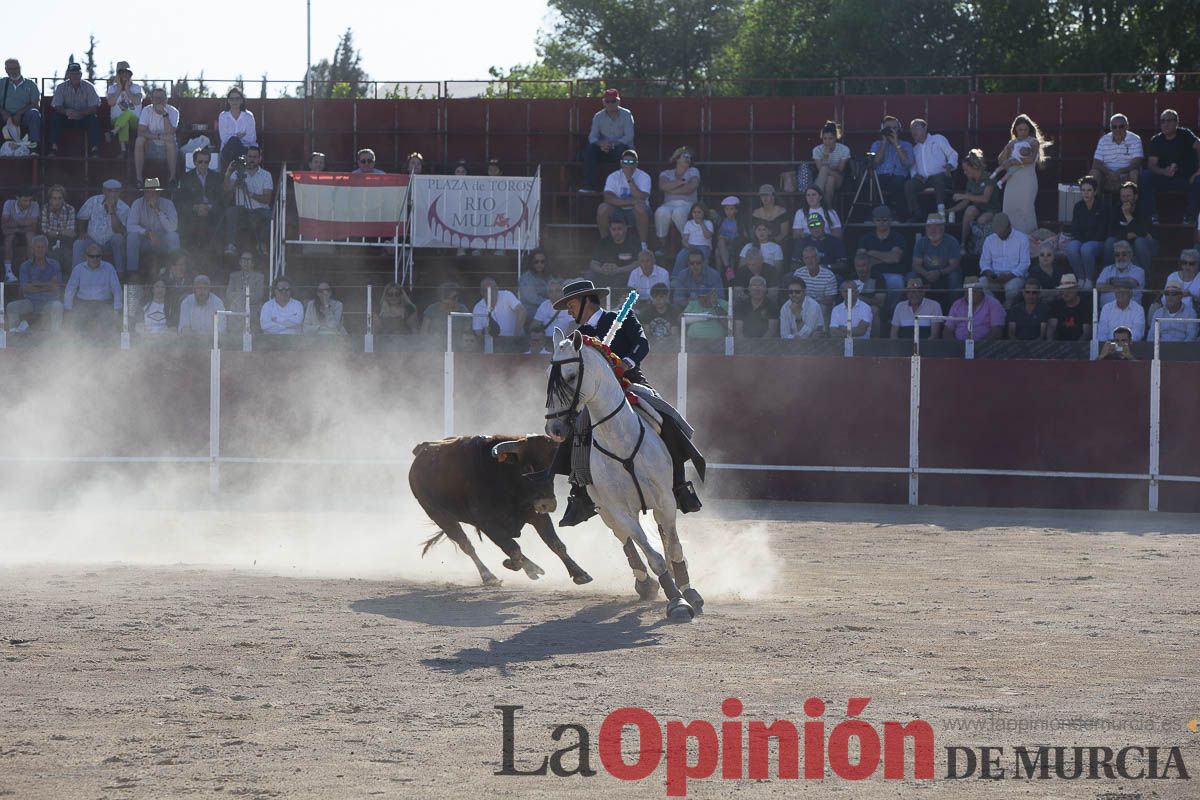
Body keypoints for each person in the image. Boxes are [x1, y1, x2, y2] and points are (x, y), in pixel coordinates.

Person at [542, 277, 702, 524]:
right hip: (597, 395)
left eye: (571, 304)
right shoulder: (578, 336)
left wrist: (627, 361)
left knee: (665, 418)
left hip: (630, 381)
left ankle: (680, 486)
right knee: (576, 431)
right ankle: (580, 494)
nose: (568, 309)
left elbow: (641, 343)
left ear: (587, 301)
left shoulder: (621, 318)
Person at [1140, 108, 1200, 225]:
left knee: (1199, 181)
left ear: (1177, 123)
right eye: (1163, 121)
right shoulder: (1156, 140)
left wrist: (1198, 171)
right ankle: (1152, 216)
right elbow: (1151, 165)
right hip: (1165, 179)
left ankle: (1190, 217)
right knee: (1145, 176)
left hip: (1187, 178)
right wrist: (1163, 171)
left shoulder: (1185, 135)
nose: (1166, 124)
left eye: (1169, 120)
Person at [995, 114, 1049, 235]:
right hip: (1012, 180)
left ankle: (1028, 241)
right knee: (1009, 209)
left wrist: (1014, 161)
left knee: (1026, 210)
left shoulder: (1033, 142)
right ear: (1015, 130)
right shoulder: (1012, 143)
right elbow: (1001, 161)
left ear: (1029, 129)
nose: (1023, 132)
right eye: (1020, 129)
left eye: (1025, 129)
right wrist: (1007, 148)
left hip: (1027, 180)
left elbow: (1030, 159)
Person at [580, 88, 635, 193]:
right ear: (603, 102)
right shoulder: (598, 116)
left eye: (613, 101)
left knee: (622, 151)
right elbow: (592, 137)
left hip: (621, 149)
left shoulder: (626, 114)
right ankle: (589, 185)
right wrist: (601, 144)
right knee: (590, 150)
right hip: (604, 149)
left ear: (618, 101)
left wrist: (613, 144)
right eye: (607, 101)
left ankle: (621, 187)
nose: (610, 104)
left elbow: (629, 137)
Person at [5, 236, 63, 332]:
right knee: (11, 307)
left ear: (46, 248)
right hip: (30, 302)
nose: (40, 249)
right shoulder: (25, 266)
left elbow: (56, 286)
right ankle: (15, 334)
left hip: (50, 301)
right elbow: (25, 288)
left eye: (42, 247)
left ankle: (55, 337)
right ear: (32, 249)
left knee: (58, 306)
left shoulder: (54, 264)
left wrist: (38, 284)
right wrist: (48, 285)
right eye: (37, 247)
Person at [126, 178, 181, 280]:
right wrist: (147, 232)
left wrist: (158, 210)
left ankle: (176, 271)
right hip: (145, 240)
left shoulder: (168, 204)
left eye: (154, 192)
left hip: (162, 240)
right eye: (148, 192)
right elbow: (130, 226)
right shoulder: (137, 203)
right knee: (131, 237)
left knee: (174, 236)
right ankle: (132, 274)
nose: (151, 195)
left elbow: (172, 227)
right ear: (144, 193)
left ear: (159, 193)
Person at [223, 145, 273, 255]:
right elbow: (227, 189)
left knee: (270, 215)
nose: (252, 159)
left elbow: (267, 199)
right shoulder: (238, 173)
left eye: (255, 157)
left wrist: (250, 194)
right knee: (230, 212)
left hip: (260, 210)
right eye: (250, 156)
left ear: (260, 159)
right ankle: (231, 245)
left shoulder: (266, 175)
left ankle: (262, 245)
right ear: (246, 157)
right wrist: (228, 172)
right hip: (243, 210)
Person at [905, 119, 958, 222]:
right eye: (911, 129)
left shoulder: (938, 139)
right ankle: (916, 215)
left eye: (916, 127)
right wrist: (916, 175)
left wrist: (949, 165)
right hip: (924, 180)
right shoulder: (915, 148)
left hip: (942, 177)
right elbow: (913, 167)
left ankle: (941, 212)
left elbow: (953, 154)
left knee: (938, 178)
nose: (913, 131)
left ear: (925, 128)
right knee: (909, 185)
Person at [597, 149, 651, 250]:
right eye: (626, 162)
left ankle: (643, 245)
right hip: (618, 210)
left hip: (637, 212)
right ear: (621, 163)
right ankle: (605, 242)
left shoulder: (644, 176)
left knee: (640, 207)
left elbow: (642, 197)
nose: (628, 164)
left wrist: (629, 179)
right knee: (602, 208)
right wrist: (630, 202)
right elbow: (608, 198)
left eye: (631, 162)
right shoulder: (613, 176)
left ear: (636, 164)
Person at [63, 244, 122, 335]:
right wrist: (67, 308)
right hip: (83, 303)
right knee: (75, 323)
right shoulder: (78, 268)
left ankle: (107, 344)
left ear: (101, 256)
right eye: (92, 256)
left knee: (108, 321)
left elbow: (117, 289)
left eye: (98, 256)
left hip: (104, 304)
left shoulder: (109, 268)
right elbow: (70, 289)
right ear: (86, 256)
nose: (95, 259)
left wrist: (117, 309)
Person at [74, 180, 129, 274]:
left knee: (118, 239)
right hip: (92, 240)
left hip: (110, 243)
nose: (112, 194)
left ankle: (120, 274)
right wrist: (82, 232)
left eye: (116, 191)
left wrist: (112, 212)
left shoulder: (124, 208)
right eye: (109, 191)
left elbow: (119, 230)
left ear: (119, 192)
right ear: (104, 191)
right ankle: (76, 275)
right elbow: (81, 218)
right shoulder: (93, 201)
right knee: (78, 243)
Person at [949, 149, 1000, 249]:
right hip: (978, 209)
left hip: (992, 210)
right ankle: (963, 243)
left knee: (982, 220)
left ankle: (979, 245)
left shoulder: (989, 178)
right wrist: (949, 211)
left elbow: (985, 199)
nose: (964, 172)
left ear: (975, 167)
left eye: (966, 169)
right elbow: (965, 202)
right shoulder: (970, 181)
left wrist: (964, 196)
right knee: (969, 210)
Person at [48, 62, 101, 157]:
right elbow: (57, 106)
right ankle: (53, 148)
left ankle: (95, 150)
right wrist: (66, 112)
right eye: (72, 74)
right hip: (67, 118)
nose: (75, 76)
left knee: (94, 118)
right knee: (55, 117)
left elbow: (94, 107)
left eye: (77, 73)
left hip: (84, 118)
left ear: (81, 74)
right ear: (68, 75)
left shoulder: (89, 87)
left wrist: (81, 113)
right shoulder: (61, 87)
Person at [1065, 176, 1110, 287]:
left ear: (1095, 192)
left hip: (1099, 242)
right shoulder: (1078, 206)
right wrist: (1082, 240)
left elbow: (1103, 230)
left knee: (1086, 248)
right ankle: (1080, 278)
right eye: (1083, 190)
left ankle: (1089, 279)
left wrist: (1086, 242)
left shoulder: (1103, 206)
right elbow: (1075, 228)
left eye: (1089, 190)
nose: (1086, 193)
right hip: (1082, 240)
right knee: (1071, 247)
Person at [177, 146, 225, 248]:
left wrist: (209, 207)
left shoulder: (216, 177)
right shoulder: (186, 178)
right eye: (200, 162)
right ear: (195, 162)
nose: (203, 164)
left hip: (212, 212)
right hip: (193, 213)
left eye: (206, 162)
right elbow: (181, 200)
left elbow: (220, 198)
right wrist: (195, 207)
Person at [978, 212, 1030, 306]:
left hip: (1014, 277)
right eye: (998, 233)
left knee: (1012, 287)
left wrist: (1009, 276)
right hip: (994, 277)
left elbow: (1025, 263)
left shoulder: (1022, 238)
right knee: (980, 283)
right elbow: (984, 262)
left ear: (1009, 226)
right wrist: (989, 273)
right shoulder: (989, 240)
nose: (1001, 235)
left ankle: (1008, 308)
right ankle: (995, 306)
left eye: (1003, 232)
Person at [1104, 181, 1156, 274]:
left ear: (1135, 197)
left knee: (1139, 242)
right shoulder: (1116, 208)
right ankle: (1108, 274)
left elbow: (1145, 233)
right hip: (1126, 241)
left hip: (1147, 244)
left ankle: (1146, 277)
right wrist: (1127, 235)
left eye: (1128, 196)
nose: (1125, 199)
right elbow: (1111, 231)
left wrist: (1127, 215)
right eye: (1123, 197)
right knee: (1109, 242)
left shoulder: (1144, 208)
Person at [869, 116, 915, 218]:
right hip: (880, 177)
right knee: (870, 183)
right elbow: (875, 162)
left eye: (895, 128)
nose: (891, 130)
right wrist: (884, 142)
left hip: (899, 177)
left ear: (899, 130)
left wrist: (896, 143)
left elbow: (907, 163)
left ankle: (901, 217)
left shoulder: (906, 145)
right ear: (882, 130)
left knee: (898, 183)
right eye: (888, 128)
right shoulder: (877, 144)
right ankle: (874, 215)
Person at [135, 87, 180, 185]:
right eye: (156, 98)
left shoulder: (173, 111)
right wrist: (159, 136)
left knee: (170, 142)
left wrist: (164, 114)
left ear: (166, 100)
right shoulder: (146, 110)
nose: (159, 101)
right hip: (150, 145)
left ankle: (172, 178)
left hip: (167, 146)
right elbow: (140, 132)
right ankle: (138, 178)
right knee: (139, 140)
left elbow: (170, 132)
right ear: (152, 100)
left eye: (162, 98)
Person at [910, 213, 963, 298]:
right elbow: (915, 265)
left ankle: (955, 309)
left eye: (936, 227)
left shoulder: (952, 242)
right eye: (929, 227)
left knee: (955, 277)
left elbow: (954, 265)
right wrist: (926, 274)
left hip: (945, 275)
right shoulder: (921, 242)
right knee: (912, 276)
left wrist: (939, 273)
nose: (932, 230)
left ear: (943, 228)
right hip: (926, 275)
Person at [859, 205, 908, 295]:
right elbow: (861, 260)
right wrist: (887, 257)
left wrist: (871, 253)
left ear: (890, 220)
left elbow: (895, 258)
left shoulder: (898, 237)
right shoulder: (866, 238)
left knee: (898, 281)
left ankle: (893, 309)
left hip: (893, 274)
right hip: (871, 275)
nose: (881, 223)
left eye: (884, 220)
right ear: (873, 221)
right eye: (878, 220)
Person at [655, 146, 700, 243]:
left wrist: (671, 189)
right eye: (685, 156)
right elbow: (663, 186)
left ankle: (688, 242)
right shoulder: (666, 173)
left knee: (679, 213)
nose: (688, 158)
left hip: (687, 204)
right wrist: (680, 182)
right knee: (661, 212)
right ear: (677, 158)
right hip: (668, 204)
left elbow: (690, 188)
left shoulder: (693, 171)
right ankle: (662, 244)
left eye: (689, 157)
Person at [1091, 113, 1143, 194]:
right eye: (1114, 127)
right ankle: (1095, 204)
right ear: (1111, 128)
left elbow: (1136, 163)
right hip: (1106, 176)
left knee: (1134, 173)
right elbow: (1096, 164)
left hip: (1126, 176)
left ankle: (1132, 204)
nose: (1117, 130)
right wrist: (1110, 173)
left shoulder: (1135, 139)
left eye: (1121, 126)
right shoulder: (1103, 140)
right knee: (1094, 173)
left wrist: (1119, 172)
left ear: (1127, 127)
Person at [587, 218, 639, 288]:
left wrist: (619, 270)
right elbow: (593, 263)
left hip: (624, 273)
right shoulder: (603, 243)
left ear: (625, 229)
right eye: (614, 229)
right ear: (610, 230)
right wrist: (602, 270)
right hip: (605, 273)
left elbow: (637, 263)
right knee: (589, 275)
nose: (616, 232)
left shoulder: (633, 242)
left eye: (619, 229)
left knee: (633, 274)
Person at [1, 59, 41, 147]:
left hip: (24, 116)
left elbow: (36, 104)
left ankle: (34, 147)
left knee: (34, 113)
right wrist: (3, 112)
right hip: (4, 116)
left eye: (16, 68)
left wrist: (19, 113)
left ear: (20, 68)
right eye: (11, 69)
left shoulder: (30, 84)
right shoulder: (2, 83)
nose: (14, 71)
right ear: (6, 70)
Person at [105, 61, 142, 156]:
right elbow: (111, 102)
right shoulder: (112, 88)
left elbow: (136, 101)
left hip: (135, 120)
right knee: (123, 121)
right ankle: (124, 151)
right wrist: (119, 88)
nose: (125, 75)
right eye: (122, 73)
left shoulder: (136, 87)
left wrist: (127, 89)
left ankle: (113, 133)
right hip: (116, 120)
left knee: (128, 113)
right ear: (118, 75)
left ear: (130, 75)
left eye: (127, 73)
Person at [1096, 240, 1146, 308]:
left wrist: (1111, 281)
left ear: (1130, 255)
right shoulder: (1107, 270)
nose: (1120, 257)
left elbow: (1131, 283)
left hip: (1131, 312)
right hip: (1107, 312)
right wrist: (1124, 287)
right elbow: (1099, 287)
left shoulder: (1139, 271)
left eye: (1124, 254)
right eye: (1117, 255)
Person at [3, 187, 38, 282]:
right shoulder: (8, 204)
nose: (28, 203)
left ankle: (31, 270)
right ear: (17, 198)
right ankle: (8, 272)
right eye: (25, 200)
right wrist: (24, 223)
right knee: (8, 239)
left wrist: (15, 225)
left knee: (31, 237)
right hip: (14, 232)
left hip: (23, 231)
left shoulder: (35, 205)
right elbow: (4, 224)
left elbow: (33, 227)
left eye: (30, 200)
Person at [788, 245, 838, 310]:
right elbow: (794, 293)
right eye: (807, 258)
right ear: (803, 260)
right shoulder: (798, 273)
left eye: (813, 257)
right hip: (802, 304)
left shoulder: (829, 276)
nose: (810, 260)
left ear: (818, 259)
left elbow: (830, 299)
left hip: (820, 306)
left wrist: (812, 304)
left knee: (822, 308)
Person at [811, 120, 851, 199]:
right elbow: (820, 170)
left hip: (839, 178)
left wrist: (825, 162)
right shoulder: (817, 150)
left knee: (826, 171)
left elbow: (840, 169)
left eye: (830, 139)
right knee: (830, 180)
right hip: (824, 179)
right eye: (825, 139)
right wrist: (826, 156)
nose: (827, 142)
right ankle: (828, 209)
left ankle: (814, 198)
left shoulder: (844, 149)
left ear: (835, 138)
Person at [217, 87, 257, 165]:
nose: (234, 101)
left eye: (237, 99)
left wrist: (234, 137)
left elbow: (251, 139)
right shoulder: (223, 116)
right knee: (233, 142)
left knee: (236, 143)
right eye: (232, 99)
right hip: (228, 151)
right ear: (228, 101)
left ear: (242, 100)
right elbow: (225, 139)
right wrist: (238, 136)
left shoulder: (248, 116)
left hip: (245, 150)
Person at [39, 184, 76, 267]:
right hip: (49, 240)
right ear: (50, 199)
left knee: (68, 262)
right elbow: (45, 231)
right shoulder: (45, 209)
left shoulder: (70, 209)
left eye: (60, 198)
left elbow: (71, 232)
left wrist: (55, 233)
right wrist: (61, 232)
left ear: (63, 199)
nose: (57, 201)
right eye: (54, 198)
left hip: (66, 240)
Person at [1046, 274, 1092, 341]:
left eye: (1069, 289)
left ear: (1076, 289)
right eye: (1063, 289)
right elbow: (1051, 327)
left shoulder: (1085, 306)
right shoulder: (1056, 305)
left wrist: (1077, 348)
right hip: (1059, 346)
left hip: (1079, 346)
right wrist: (1051, 345)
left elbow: (1086, 333)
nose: (1066, 292)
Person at [674, 201, 713, 273]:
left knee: (702, 257)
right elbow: (685, 239)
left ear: (704, 213)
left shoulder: (708, 223)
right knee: (681, 256)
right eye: (694, 212)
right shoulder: (689, 223)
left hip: (704, 246)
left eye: (699, 212)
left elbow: (707, 236)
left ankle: (703, 277)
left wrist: (702, 224)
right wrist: (686, 245)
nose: (696, 214)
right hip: (691, 246)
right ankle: (676, 278)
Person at [226, 252, 266, 316]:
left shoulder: (259, 277)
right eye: (243, 259)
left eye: (248, 260)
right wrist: (246, 295)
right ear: (240, 262)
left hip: (253, 310)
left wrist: (240, 296)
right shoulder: (233, 276)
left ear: (253, 263)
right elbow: (229, 294)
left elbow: (258, 295)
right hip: (236, 309)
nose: (245, 262)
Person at [713, 196, 745, 277]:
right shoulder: (722, 221)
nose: (729, 211)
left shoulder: (739, 222)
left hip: (734, 244)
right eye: (726, 209)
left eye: (731, 209)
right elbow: (718, 235)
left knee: (718, 251)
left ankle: (723, 272)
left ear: (736, 210)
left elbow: (741, 237)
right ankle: (727, 270)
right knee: (718, 249)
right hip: (723, 244)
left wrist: (729, 240)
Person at [518, 248, 555, 318]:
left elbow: (556, 285)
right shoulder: (526, 278)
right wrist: (551, 301)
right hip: (531, 315)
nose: (539, 264)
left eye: (542, 261)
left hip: (547, 312)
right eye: (536, 261)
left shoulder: (547, 276)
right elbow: (532, 298)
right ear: (531, 262)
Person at [751, 184, 790, 249]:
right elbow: (754, 232)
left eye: (767, 195)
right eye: (762, 195)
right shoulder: (756, 213)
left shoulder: (782, 211)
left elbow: (784, 233)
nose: (765, 198)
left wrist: (772, 243)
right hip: (760, 243)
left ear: (773, 196)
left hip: (778, 243)